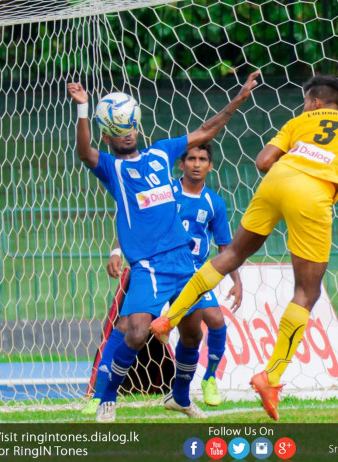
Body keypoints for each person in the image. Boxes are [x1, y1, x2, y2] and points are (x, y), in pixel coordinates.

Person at [150, 75, 338, 420]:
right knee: (307, 291)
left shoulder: (299, 121)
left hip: (276, 181)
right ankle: (270, 377)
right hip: (312, 194)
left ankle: (169, 318)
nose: (305, 107)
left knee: (231, 255)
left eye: (304, 102)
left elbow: (263, 161)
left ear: (314, 102)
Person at [67, 70, 259, 422]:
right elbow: (83, 152)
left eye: (130, 129)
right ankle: (107, 398)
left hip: (185, 263)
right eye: (118, 132)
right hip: (149, 266)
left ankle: (181, 397)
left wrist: (239, 98)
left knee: (191, 332)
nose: (126, 136)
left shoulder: (160, 154)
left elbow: (207, 130)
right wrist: (82, 110)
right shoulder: (112, 169)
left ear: (137, 127)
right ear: (108, 136)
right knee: (136, 331)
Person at [86, 143, 242, 413]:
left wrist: (236, 280)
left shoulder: (214, 202)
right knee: (126, 326)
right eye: (190, 158)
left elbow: (224, 246)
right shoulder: (163, 190)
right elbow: (134, 220)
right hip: (154, 265)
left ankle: (207, 381)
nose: (196, 164)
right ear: (180, 164)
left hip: (191, 271)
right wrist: (116, 250)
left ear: (210, 166)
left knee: (213, 321)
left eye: (202, 159)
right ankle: (100, 395)